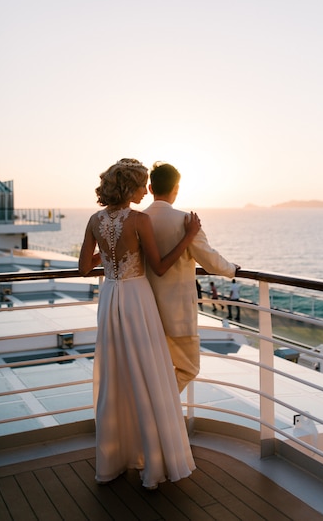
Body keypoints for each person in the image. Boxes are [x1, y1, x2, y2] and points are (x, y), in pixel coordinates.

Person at [78, 158, 201, 489]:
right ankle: (151, 463)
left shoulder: (94, 220)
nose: (145, 189)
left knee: (115, 374)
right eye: (141, 183)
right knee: (147, 371)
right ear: (131, 187)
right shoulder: (139, 219)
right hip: (137, 299)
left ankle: (112, 462)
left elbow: (84, 269)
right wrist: (188, 237)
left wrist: (108, 256)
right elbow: (159, 267)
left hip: (110, 298)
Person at [144, 162, 239, 392]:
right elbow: (209, 260)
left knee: (156, 370)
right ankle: (158, 410)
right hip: (178, 314)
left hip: (145, 310)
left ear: (149, 188)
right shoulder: (186, 222)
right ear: (176, 188)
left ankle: (156, 415)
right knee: (189, 369)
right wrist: (232, 269)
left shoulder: (138, 219)